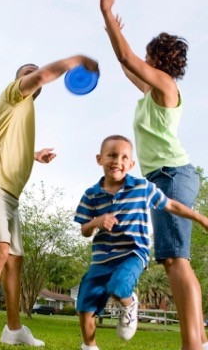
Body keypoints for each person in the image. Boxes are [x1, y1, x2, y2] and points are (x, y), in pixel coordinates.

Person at [100, 0, 208, 350]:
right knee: (173, 259)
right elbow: (126, 66)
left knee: (176, 259)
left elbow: (126, 58)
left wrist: (108, 13)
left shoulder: (165, 85)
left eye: (148, 55)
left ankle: (192, 344)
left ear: (157, 59)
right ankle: (200, 340)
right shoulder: (152, 90)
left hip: (172, 176)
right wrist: (110, 29)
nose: (143, 60)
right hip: (163, 179)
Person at [0, 55, 99, 350]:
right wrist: (77, 60)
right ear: (19, 80)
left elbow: (9, 143)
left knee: (14, 260)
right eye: (27, 72)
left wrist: (33, 155)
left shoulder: (25, 110)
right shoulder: (14, 93)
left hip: (9, 194)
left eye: (35, 72)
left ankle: (13, 329)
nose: (34, 74)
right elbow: (41, 76)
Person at [74, 135, 208, 350]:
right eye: (112, 155)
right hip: (101, 259)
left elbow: (171, 205)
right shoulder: (91, 195)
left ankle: (129, 304)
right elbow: (84, 230)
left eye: (124, 157)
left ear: (131, 164)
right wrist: (97, 222)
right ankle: (89, 346)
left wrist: (200, 218)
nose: (117, 161)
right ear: (99, 159)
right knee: (85, 304)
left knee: (118, 286)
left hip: (133, 253)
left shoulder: (142, 187)